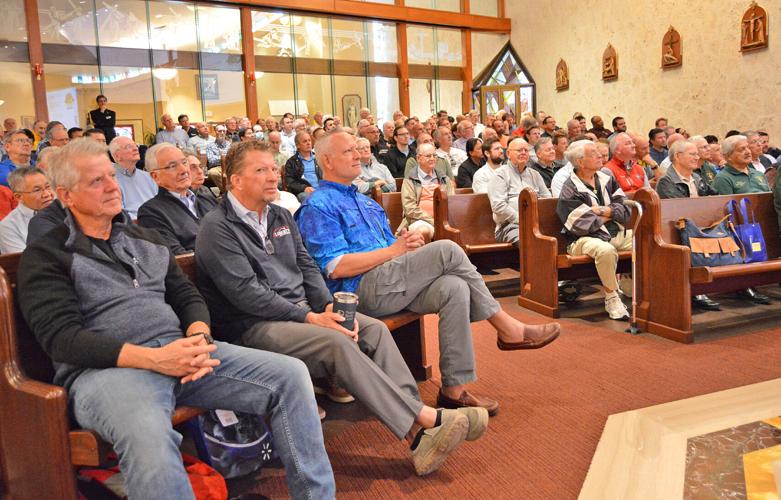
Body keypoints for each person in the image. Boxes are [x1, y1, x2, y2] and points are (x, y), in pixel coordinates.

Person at [17, 139, 335, 499]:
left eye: (111, 176)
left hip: (183, 353)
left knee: (290, 376)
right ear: (66, 195)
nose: (111, 186)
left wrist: (199, 334)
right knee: (146, 432)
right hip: (108, 372)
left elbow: (186, 296)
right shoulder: (47, 255)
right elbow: (63, 339)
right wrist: (155, 359)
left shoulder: (144, 238)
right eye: (96, 181)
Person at [195, 140, 484, 477]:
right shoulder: (217, 228)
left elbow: (306, 268)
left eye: (274, 168)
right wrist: (311, 317)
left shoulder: (277, 215)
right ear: (235, 180)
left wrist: (330, 308)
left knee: (371, 329)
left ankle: (419, 428)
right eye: (261, 170)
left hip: (299, 311)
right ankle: (424, 422)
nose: (273, 176)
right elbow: (246, 295)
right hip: (254, 324)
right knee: (335, 342)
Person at [297, 131, 561, 416]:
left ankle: (453, 390)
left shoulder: (367, 203)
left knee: (453, 288)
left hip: (390, 281)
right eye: (348, 151)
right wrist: (396, 251)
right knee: (447, 249)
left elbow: (392, 249)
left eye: (356, 150)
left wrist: (408, 246)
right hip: (358, 291)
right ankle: (507, 328)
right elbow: (335, 267)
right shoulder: (318, 205)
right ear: (327, 160)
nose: (358, 155)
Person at [557, 140, 632, 320]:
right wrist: (612, 213)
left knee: (647, 241)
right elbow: (581, 225)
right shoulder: (570, 187)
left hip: (616, 233)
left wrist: (602, 211)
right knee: (605, 250)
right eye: (594, 153)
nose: (600, 156)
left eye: (599, 152)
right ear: (580, 162)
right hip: (582, 241)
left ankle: (630, 284)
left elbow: (626, 209)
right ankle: (612, 298)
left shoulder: (607, 178)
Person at [654, 140, 720, 311]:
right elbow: (677, 210)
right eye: (692, 154)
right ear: (677, 156)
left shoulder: (697, 178)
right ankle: (696, 291)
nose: (696, 157)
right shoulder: (666, 181)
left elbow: (714, 198)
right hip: (677, 230)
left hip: (698, 226)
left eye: (696, 154)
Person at [712, 134, 772, 305]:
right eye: (741, 149)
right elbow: (724, 210)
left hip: (764, 224)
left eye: (747, 147)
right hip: (740, 229)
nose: (747, 151)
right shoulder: (723, 178)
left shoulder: (757, 174)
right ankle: (745, 286)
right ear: (728, 156)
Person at [137, 145, 218, 255]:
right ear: (156, 176)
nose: (184, 170)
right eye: (172, 166)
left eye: (184, 163)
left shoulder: (205, 198)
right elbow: (179, 259)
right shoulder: (151, 213)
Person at [488, 138, 551, 247]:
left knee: (560, 237)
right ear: (508, 153)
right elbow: (498, 206)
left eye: (526, 151)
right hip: (509, 226)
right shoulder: (500, 175)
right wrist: (522, 220)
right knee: (531, 241)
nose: (523, 153)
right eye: (519, 150)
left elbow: (547, 199)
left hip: (538, 224)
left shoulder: (535, 174)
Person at [398, 143, 454, 239]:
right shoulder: (410, 180)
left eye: (434, 155)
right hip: (419, 220)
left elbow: (452, 203)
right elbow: (410, 209)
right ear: (418, 158)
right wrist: (432, 220)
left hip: (445, 221)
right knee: (423, 230)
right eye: (428, 156)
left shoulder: (444, 179)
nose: (432, 158)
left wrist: (442, 221)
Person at [0, 166, 54, 253]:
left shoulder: (67, 209)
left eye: (48, 187)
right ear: (18, 197)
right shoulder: (8, 227)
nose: (47, 194)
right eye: (37, 190)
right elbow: (24, 262)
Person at [110, 136, 157, 220]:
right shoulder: (110, 180)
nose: (136, 149)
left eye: (136, 145)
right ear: (117, 156)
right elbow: (119, 216)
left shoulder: (148, 176)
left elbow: (160, 203)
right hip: (133, 228)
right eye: (128, 147)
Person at [284, 131, 321, 201]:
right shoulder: (292, 162)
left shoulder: (319, 158)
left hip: (321, 189)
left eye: (309, 140)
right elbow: (290, 182)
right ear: (298, 145)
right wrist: (304, 188)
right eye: (305, 141)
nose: (308, 143)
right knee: (305, 197)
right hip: (305, 192)